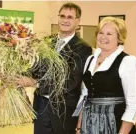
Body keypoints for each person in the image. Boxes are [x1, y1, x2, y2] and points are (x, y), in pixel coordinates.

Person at [74, 17, 136, 134]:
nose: (103, 37)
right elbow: (85, 96)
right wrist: (79, 127)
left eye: (109, 34)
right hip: (89, 124)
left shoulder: (128, 61)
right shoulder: (90, 59)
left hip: (115, 125)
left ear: (119, 38)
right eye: (101, 32)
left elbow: (133, 106)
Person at [32, 2, 92, 134]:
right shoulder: (46, 42)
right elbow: (36, 69)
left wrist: (36, 83)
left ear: (78, 21)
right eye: (62, 16)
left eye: (70, 17)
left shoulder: (82, 48)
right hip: (41, 107)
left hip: (63, 111)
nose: (65, 20)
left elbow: (71, 81)